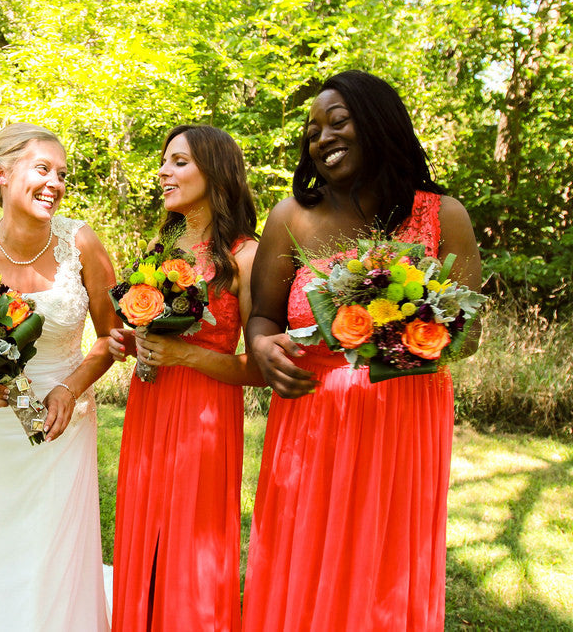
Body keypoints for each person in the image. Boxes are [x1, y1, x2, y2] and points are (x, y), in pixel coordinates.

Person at [242, 70, 482, 631]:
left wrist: (406, 329)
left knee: (384, 566)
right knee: (300, 562)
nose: (321, 137)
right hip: (308, 423)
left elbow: (469, 336)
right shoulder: (290, 217)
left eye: (338, 121)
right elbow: (264, 314)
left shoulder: (443, 216)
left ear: (376, 123)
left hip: (401, 423)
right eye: (312, 129)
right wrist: (260, 346)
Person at [0, 123, 118, 631]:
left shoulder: (81, 243)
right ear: (1, 174)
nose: (54, 183)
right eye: (42, 169)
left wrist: (71, 387)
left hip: (62, 421)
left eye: (61, 173)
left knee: (53, 547)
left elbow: (111, 338)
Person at [107, 125, 265, 631]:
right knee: (143, 527)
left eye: (178, 162)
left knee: (191, 537)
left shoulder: (244, 255)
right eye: (164, 161)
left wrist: (185, 355)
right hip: (150, 403)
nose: (163, 172)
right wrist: (128, 340)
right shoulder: (161, 245)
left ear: (214, 172)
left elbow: (259, 368)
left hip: (205, 416)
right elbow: (144, 327)